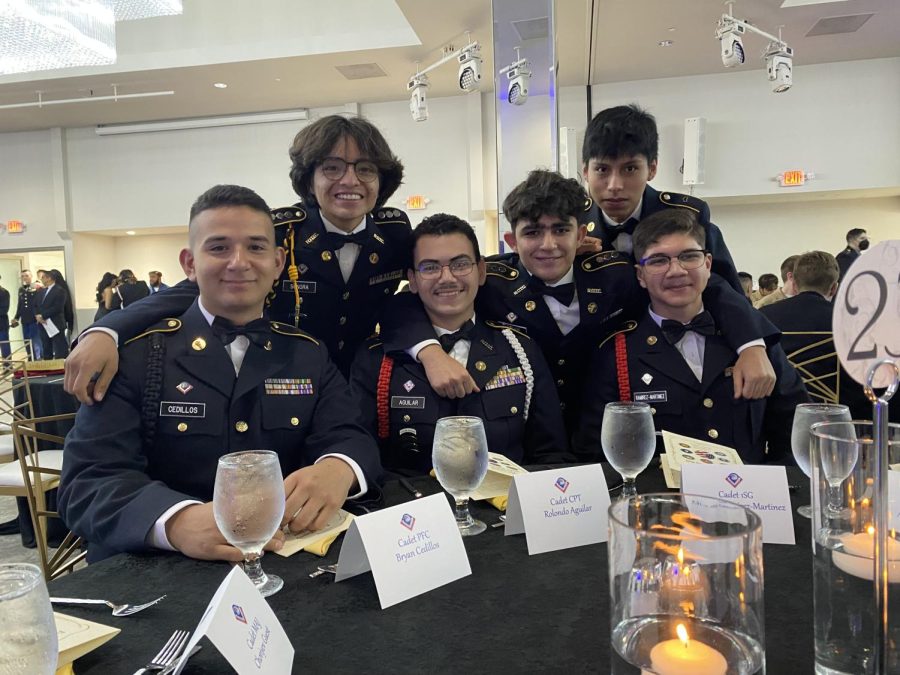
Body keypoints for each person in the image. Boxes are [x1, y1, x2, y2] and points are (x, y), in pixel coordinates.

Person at [58, 185, 383, 563]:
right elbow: (87, 483)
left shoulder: (307, 354)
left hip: (282, 570)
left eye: (256, 247)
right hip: (157, 571)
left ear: (279, 262)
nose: (239, 262)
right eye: (219, 247)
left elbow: (350, 434)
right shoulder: (134, 357)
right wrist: (174, 522)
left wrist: (339, 467)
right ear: (189, 263)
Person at [380, 170, 779, 438]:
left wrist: (752, 344)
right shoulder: (489, 281)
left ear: (582, 233)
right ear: (512, 241)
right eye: (533, 232)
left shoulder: (618, 275)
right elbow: (405, 304)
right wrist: (430, 353)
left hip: (607, 431)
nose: (549, 244)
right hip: (526, 433)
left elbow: (708, 288)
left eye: (561, 230)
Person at [64, 115, 411, 403]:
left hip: (365, 389)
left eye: (365, 169)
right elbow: (202, 287)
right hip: (279, 383)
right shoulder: (279, 232)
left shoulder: (394, 232)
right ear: (309, 178)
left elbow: (422, 297)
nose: (350, 180)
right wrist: (106, 329)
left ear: (382, 180)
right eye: (332, 168)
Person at [574, 209, 808, 464]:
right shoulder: (617, 353)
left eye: (688, 256)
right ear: (640, 276)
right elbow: (595, 449)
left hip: (747, 497)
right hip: (660, 500)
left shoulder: (752, 343)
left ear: (707, 264)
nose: (676, 270)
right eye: (658, 261)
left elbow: (794, 433)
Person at [350, 213, 569, 475]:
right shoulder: (377, 360)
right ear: (413, 280)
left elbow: (551, 454)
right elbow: (362, 454)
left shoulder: (520, 350)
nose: (447, 278)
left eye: (460, 264)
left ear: (481, 271)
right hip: (416, 509)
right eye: (430, 267)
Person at [577, 104, 742, 292]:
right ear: (585, 172)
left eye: (630, 169)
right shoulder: (571, 224)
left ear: (652, 169)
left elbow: (728, 296)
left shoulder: (689, 217)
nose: (615, 185)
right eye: (602, 169)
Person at [760, 251, 874, 420]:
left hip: (777, 416)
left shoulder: (763, 316)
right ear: (834, 288)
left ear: (795, 284)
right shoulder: (855, 322)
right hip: (840, 420)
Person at [34, 269, 69, 359]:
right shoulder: (41, 291)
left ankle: (61, 369)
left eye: (43, 277)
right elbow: (36, 305)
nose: (41, 279)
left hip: (55, 323)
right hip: (43, 324)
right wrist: (37, 315)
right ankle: (48, 368)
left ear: (49, 278)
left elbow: (58, 307)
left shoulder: (60, 290)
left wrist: (43, 315)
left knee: (59, 347)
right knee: (46, 346)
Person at [10, 270, 42, 360]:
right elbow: (20, 305)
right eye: (23, 276)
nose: (25, 278)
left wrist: (39, 315)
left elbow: (38, 303)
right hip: (25, 319)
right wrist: (16, 317)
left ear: (31, 276)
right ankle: (30, 358)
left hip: (34, 318)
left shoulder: (37, 287)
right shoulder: (21, 289)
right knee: (27, 340)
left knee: (35, 340)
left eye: (27, 275)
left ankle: (37, 359)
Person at [0, 276, 9, 361]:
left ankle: (8, 367)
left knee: (4, 346)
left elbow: (4, 309)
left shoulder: (4, 292)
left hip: (1, 324)